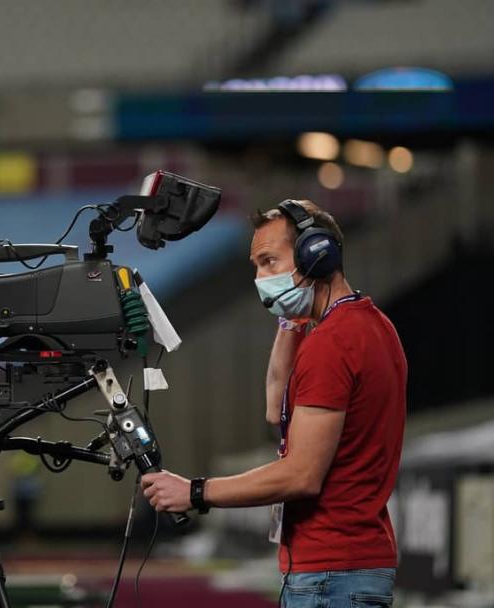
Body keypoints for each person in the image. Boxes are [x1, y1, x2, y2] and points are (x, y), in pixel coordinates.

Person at [140, 199, 407, 608]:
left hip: (330, 575)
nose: (261, 279)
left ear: (315, 257)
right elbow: (275, 405)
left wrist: (195, 492)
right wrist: (291, 317)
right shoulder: (371, 326)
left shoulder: (332, 343)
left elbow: (301, 475)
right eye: (256, 267)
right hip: (347, 569)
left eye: (269, 262)